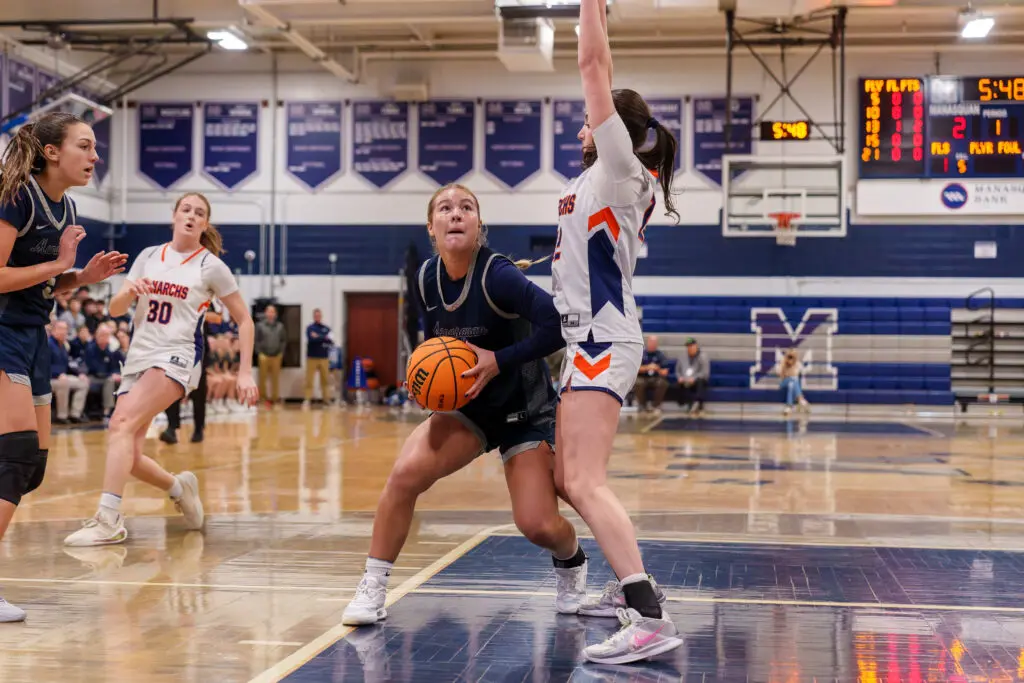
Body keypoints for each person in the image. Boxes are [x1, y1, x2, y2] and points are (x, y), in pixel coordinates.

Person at [342, 184, 587, 626]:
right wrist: (422, 379)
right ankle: (373, 586)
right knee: (404, 475)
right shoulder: (425, 278)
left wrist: (499, 360)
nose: (456, 213)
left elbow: (557, 326)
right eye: (445, 208)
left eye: (466, 207)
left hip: (524, 411)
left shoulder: (498, 275)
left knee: (537, 525)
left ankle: (571, 560)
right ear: (431, 227)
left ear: (478, 225)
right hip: (468, 407)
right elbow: (434, 339)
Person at [550, 0, 683, 664]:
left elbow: (593, 62)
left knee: (584, 480)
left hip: (603, 340)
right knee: (565, 477)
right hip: (588, 339)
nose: (582, 124)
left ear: (612, 130)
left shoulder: (620, 166)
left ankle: (648, 614)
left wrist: (590, 7)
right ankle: (632, 588)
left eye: (589, 117)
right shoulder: (604, 177)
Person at [63, 193, 259, 548]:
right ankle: (179, 487)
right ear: (174, 215)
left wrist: (244, 373)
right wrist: (130, 292)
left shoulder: (210, 266)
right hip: (139, 355)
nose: (191, 216)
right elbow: (116, 309)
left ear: (204, 224)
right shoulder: (149, 256)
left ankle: (108, 519)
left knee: (120, 424)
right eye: (186, 209)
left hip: (177, 356)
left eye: (199, 213)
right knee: (130, 454)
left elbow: (245, 320)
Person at [0, 112, 127, 621]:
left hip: (33, 336)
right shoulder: (17, 196)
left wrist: (81, 277)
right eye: (85, 146)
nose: (96, 156)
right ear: (52, 152)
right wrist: (59, 265)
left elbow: (45, 283)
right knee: (14, 457)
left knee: (31, 468)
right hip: (3, 332)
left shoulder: (67, 205)